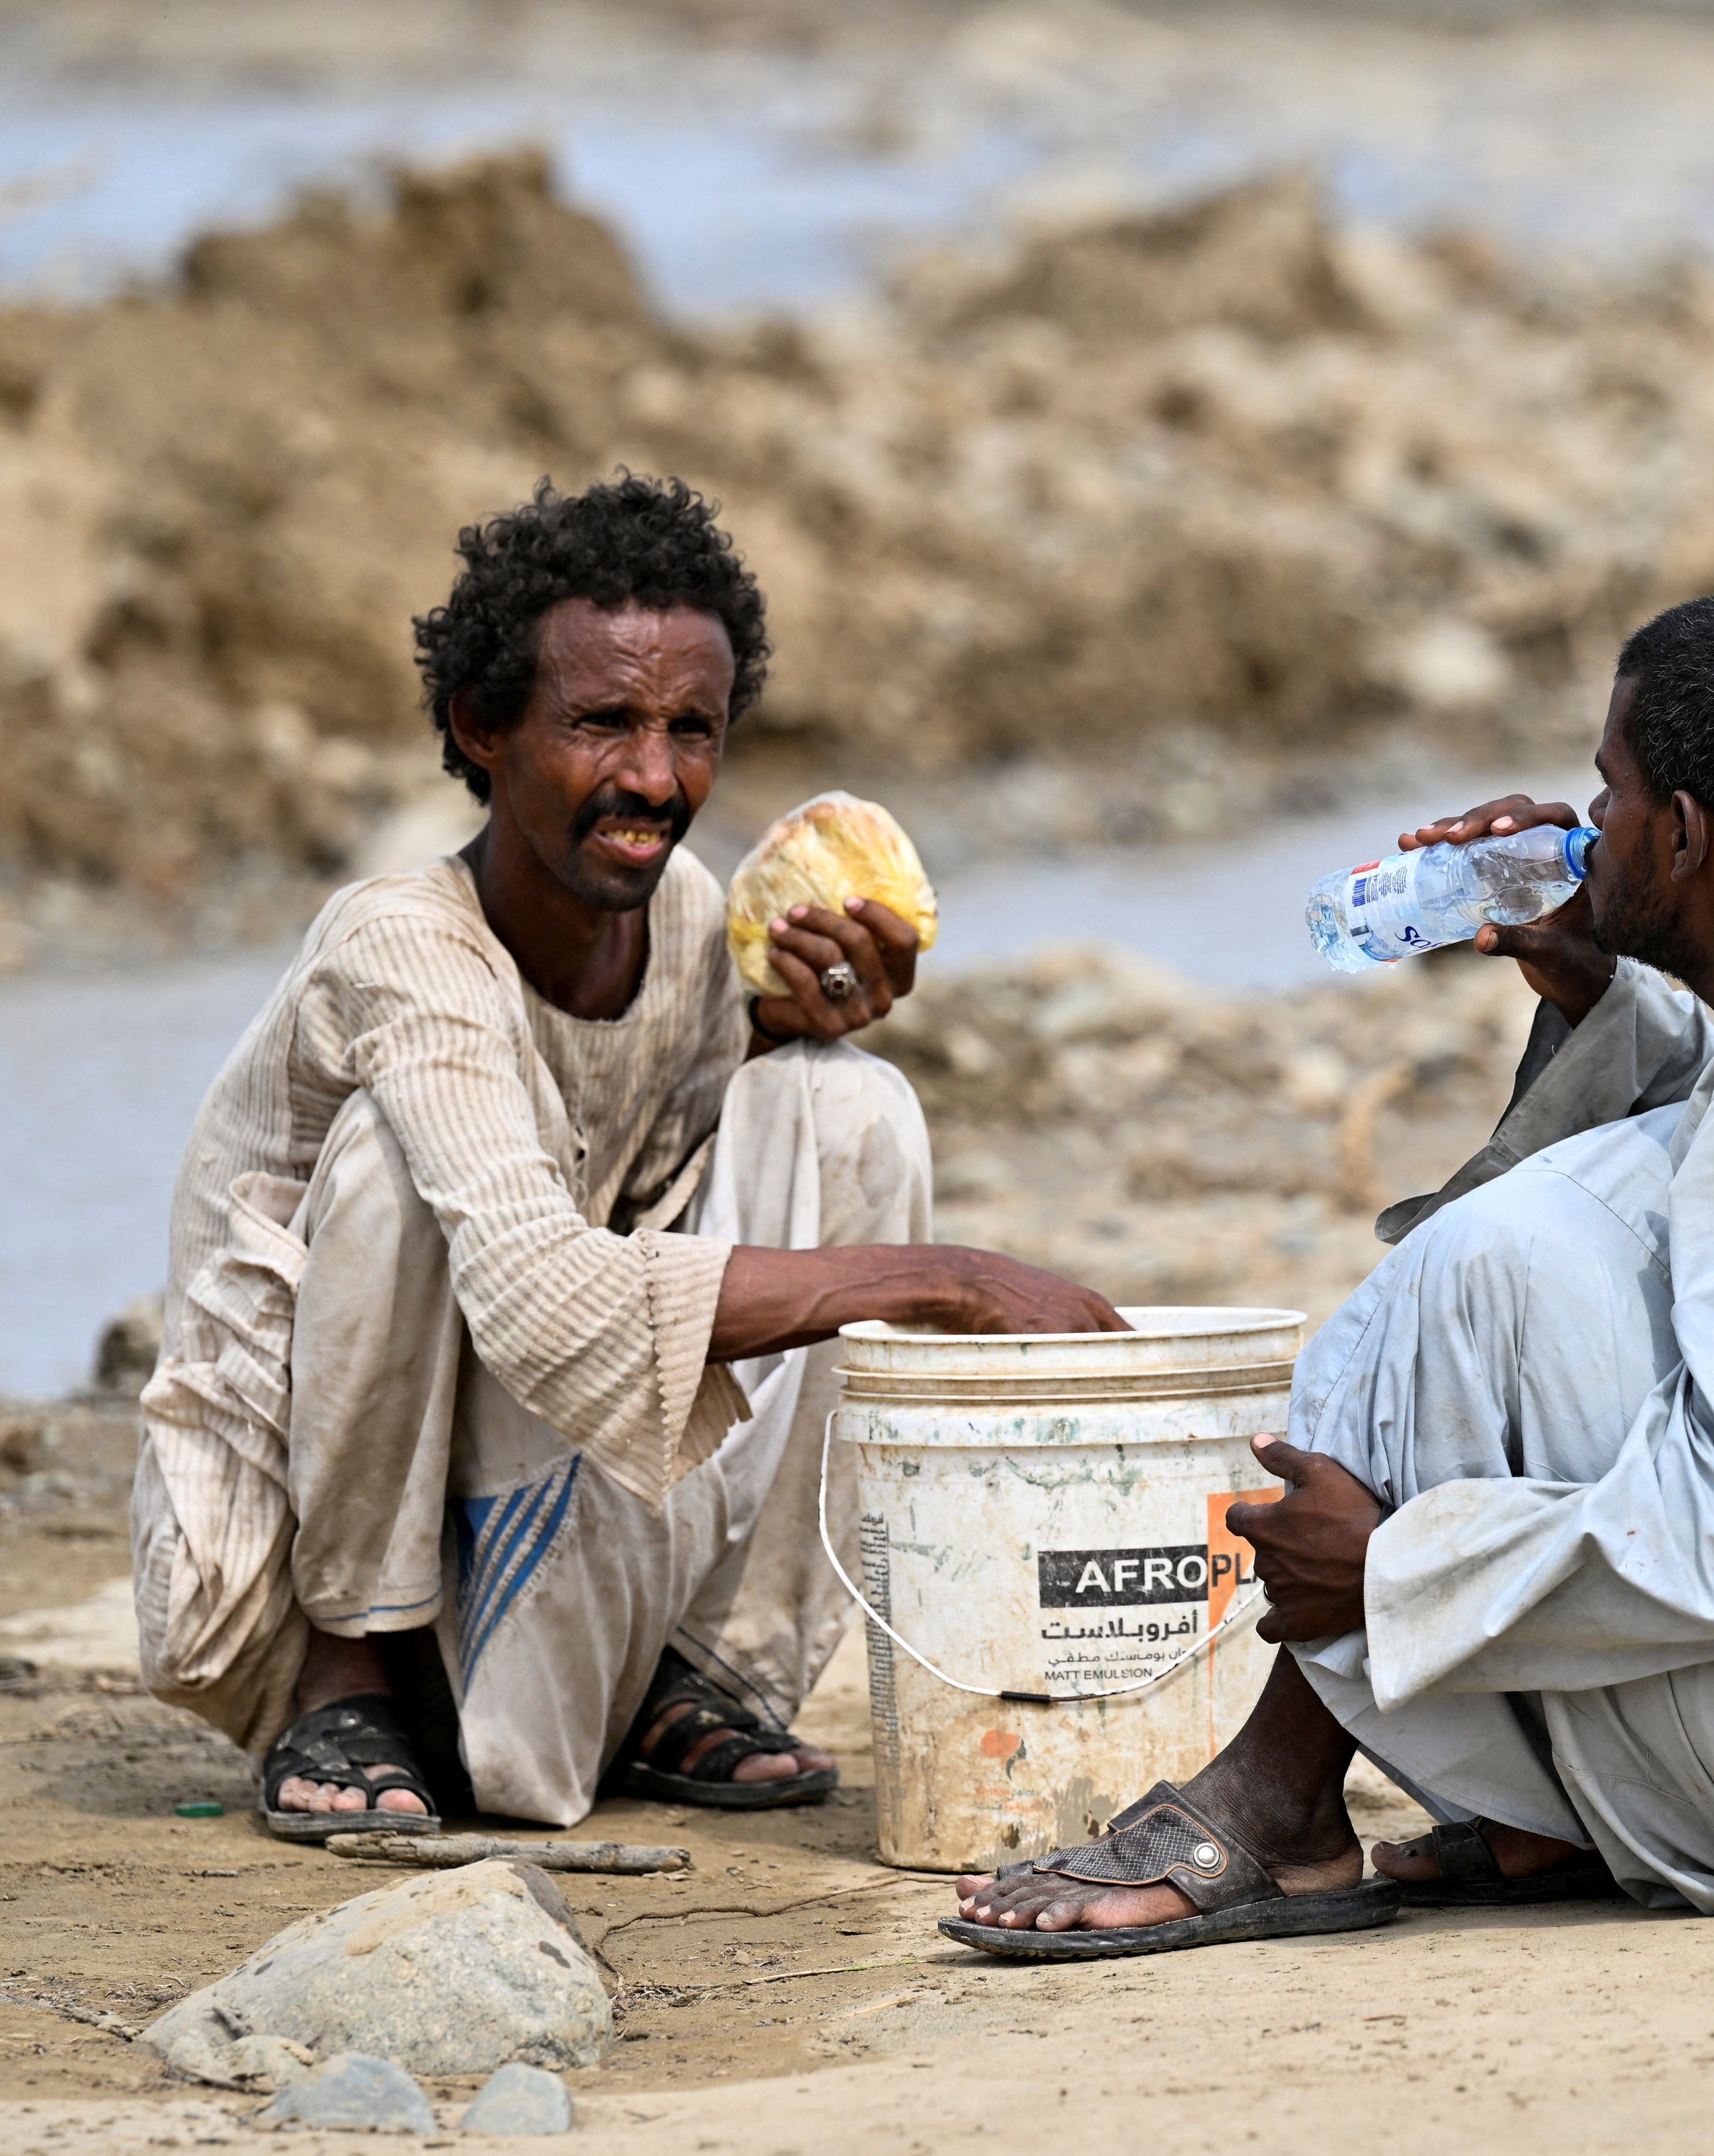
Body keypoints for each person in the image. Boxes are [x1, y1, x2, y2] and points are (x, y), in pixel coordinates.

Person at [945, 590, 1714, 1956]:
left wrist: (1387, 1572)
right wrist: (1604, 989)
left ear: (1685, 833)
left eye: (1612, 789)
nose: (1585, 824)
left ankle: (1278, 1804)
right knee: (1544, 1242)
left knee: (1487, 1264)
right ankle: (1534, 1817)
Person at [131, 474, 1120, 1839]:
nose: (654, 778)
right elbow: (540, 1297)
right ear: (482, 728)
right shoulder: (402, 943)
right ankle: (345, 1678)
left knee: (854, 1104)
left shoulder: (687, 918)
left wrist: (781, 1027)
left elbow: (649, 1143)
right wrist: (938, 1278)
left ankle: (698, 1668)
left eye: (689, 730)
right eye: (601, 723)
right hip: (301, 1545)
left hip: (533, 1469)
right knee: (390, 1165)